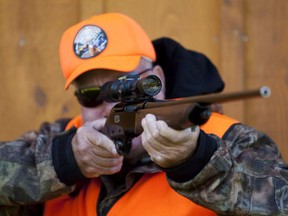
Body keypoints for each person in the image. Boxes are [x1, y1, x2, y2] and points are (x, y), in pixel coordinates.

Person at [0, 12, 287, 216]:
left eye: (127, 86)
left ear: (157, 77)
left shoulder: (227, 139)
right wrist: (64, 162)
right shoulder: (61, 140)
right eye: (90, 96)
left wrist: (197, 163)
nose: (111, 106)